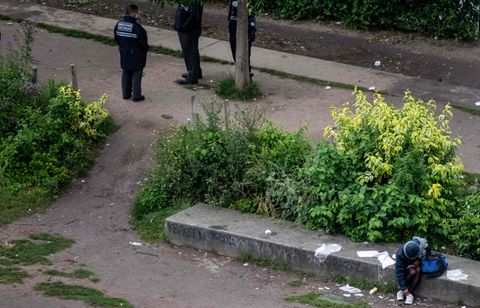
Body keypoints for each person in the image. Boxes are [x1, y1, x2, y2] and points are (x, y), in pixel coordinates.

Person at [114, 4, 149, 102]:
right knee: (137, 73)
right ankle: (136, 96)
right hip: (136, 54)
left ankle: (126, 94)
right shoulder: (137, 27)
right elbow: (143, 43)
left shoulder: (118, 24)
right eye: (137, 12)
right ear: (133, 13)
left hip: (124, 53)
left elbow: (116, 38)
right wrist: (145, 50)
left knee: (126, 71)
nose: (138, 14)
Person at [174, 1, 203, 85]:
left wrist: (185, 26)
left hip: (189, 31)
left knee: (190, 53)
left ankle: (192, 76)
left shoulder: (194, 2)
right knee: (191, 52)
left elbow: (195, 16)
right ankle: (195, 72)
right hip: (186, 29)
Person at [395, 236, 429, 305]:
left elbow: (427, 251)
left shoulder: (420, 244)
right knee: (412, 272)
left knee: (418, 270)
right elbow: (399, 273)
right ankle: (402, 290)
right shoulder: (400, 255)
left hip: (415, 260)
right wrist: (404, 288)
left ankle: (409, 294)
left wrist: (419, 260)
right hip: (406, 263)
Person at [228, 0, 256, 81]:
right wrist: (229, 23)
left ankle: (247, 74)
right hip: (233, 27)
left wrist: (251, 32)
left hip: (244, 29)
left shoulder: (249, 2)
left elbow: (251, 16)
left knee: (245, 54)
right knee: (234, 51)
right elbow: (230, 12)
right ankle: (240, 72)